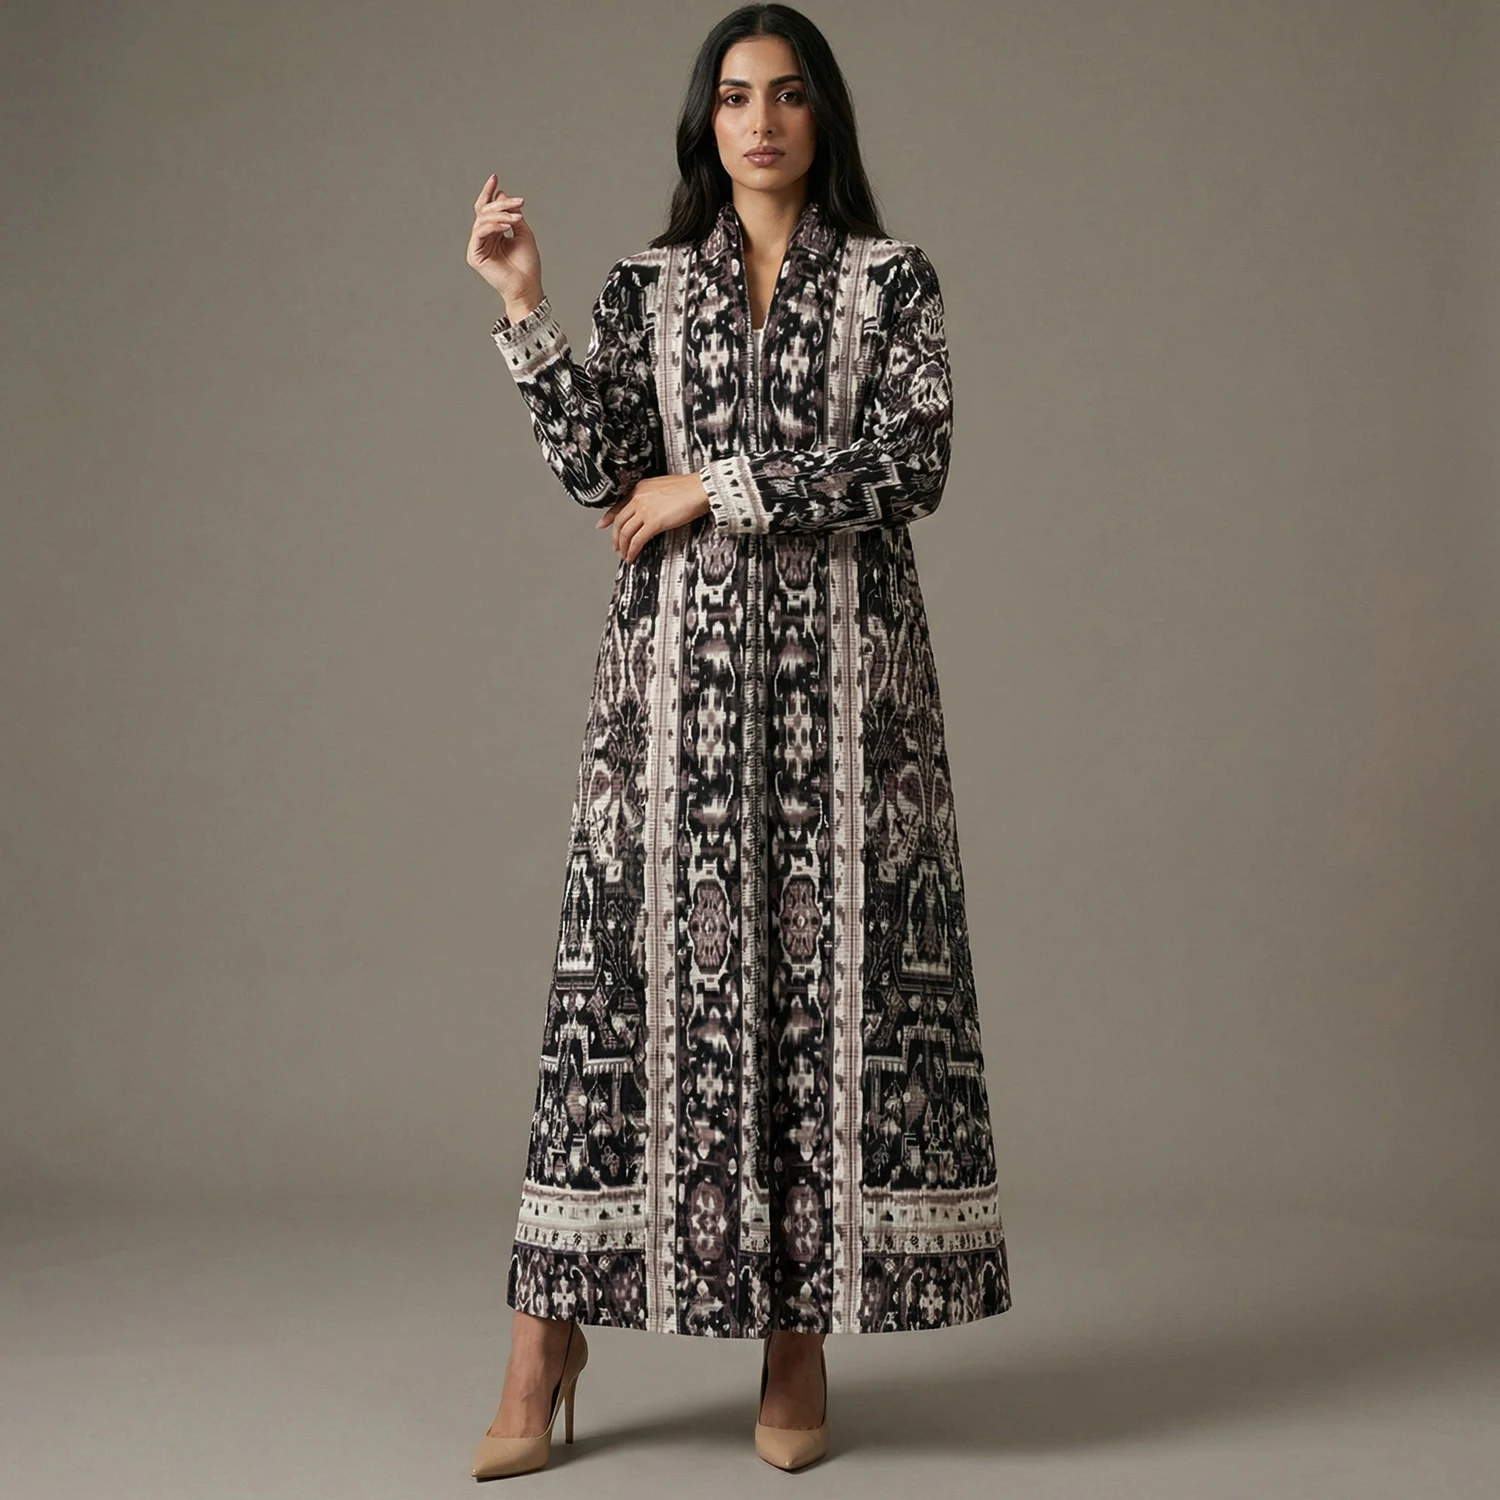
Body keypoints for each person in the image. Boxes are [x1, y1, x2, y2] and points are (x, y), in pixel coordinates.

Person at [463, 3, 1011, 1478]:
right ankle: (543, 1337)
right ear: (705, 124)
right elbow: (600, 467)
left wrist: (716, 486)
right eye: (732, 98)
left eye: (784, 95)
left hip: (848, 707)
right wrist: (526, 307)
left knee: (824, 1006)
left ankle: (795, 1333)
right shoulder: (649, 287)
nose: (758, 122)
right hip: (671, 710)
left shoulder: (891, 282)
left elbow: (914, 458)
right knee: (617, 1001)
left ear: (823, 115)